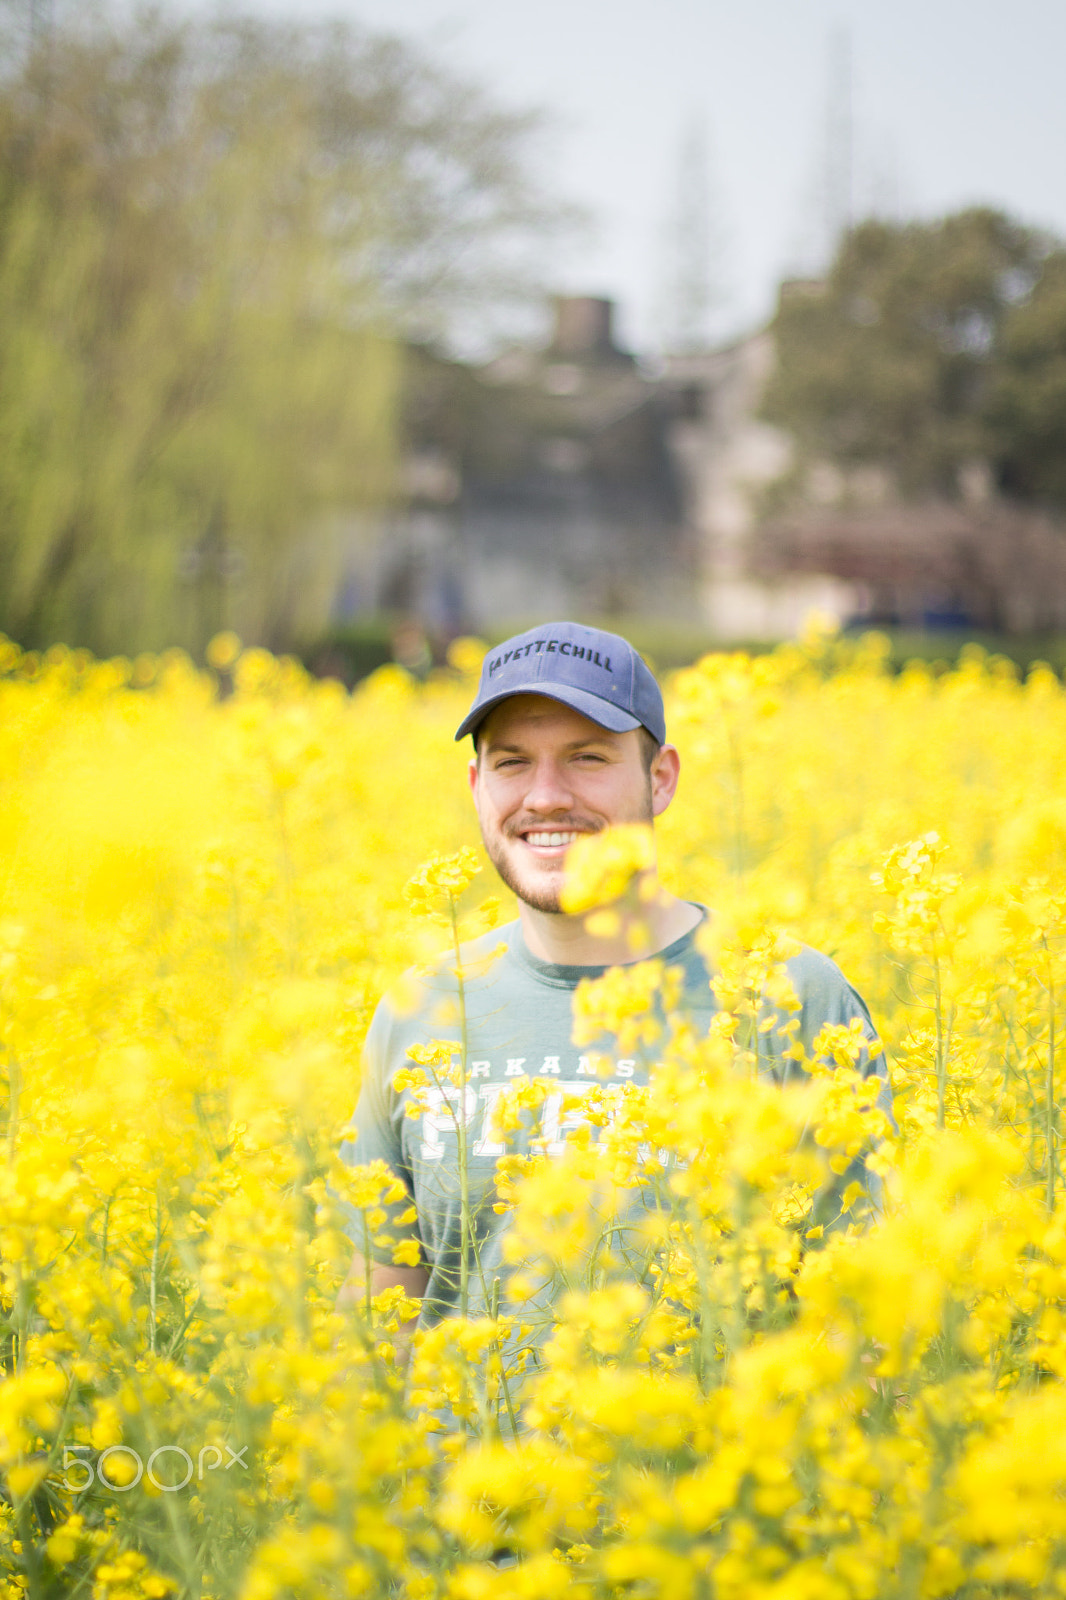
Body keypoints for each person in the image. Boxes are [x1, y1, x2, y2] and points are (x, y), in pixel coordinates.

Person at [336, 620, 893, 1349]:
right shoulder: (420, 1010)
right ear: (477, 786)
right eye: (511, 762)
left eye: (586, 757)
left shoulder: (789, 996)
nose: (544, 797)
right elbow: (376, 1334)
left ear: (660, 778)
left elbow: (868, 1333)